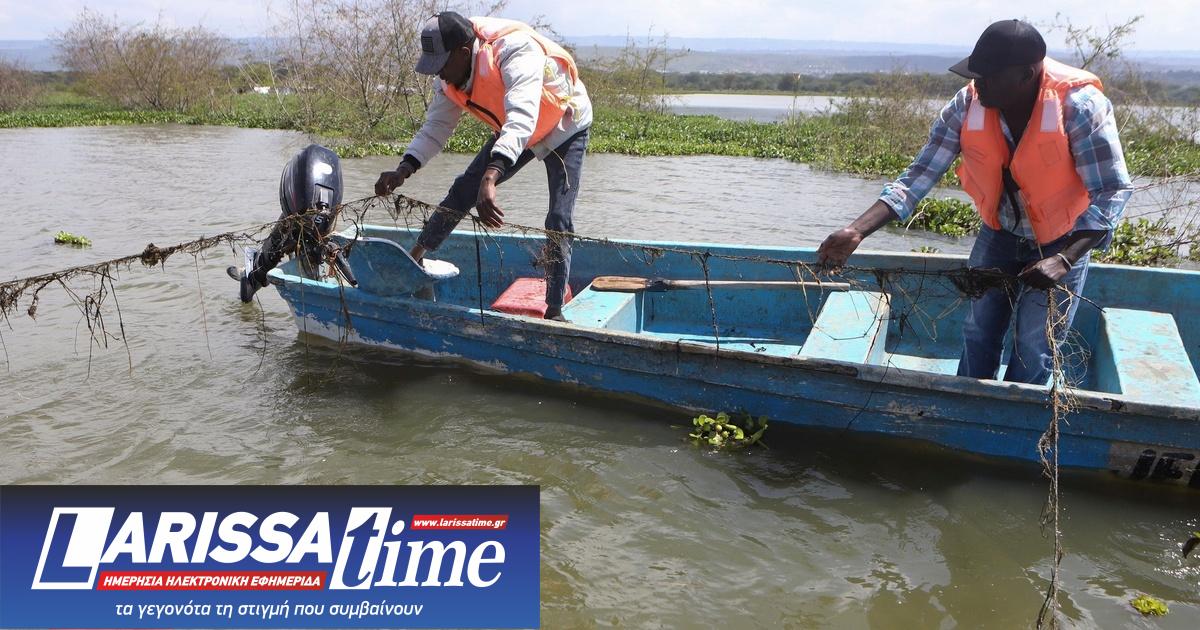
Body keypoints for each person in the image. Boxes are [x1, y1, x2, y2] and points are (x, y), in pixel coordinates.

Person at [816, 19, 1132, 385]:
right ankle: (966, 403)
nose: (977, 84)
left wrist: (1064, 259)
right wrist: (856, 231)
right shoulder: (968, 104)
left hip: (1063, 239)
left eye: (988, 77)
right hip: (1000, 233)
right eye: (975, 75)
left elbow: (1112, 190)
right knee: (979, 331)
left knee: (1036, 345)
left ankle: (1017, 413)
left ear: (1025, 75)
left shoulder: (1079, 106)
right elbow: (918, 176)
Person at [374, 11, 591, 321]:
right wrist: (403, 169)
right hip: (517, 130)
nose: (440, 74)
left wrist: (491, 176)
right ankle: (415, 259)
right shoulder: (448, 79)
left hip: (564, 124)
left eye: (442, 65)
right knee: (464, 189)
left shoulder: (515, 51)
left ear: (464, 53)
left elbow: (522, 117)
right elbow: (436, 128)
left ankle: (554, 312)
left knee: (558, 216)